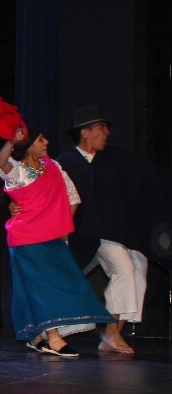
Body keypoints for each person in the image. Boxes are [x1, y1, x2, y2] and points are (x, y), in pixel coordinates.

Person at [0, 116, 115, 357]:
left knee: (62, 283)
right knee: (41, 286)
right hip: (26, 239)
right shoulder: (18, 171)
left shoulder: (54, 167)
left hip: (52, 238)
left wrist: (59, 227)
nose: (46, 142)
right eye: (40, 139)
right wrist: (11, 141)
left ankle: (36, 336)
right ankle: (53, 336)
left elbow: (72, 198)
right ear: (28, 146)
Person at [53, 105, 172, 355]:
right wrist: (14, 203)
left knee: (138, 265)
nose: (107, 132)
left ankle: (113, 331)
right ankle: (109, 332)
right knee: (124, 267)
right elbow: (45, 191)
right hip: (85, 235)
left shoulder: (116, 158)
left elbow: (149, 174)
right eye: (101, 128)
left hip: (113, 233)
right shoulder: (66, 163)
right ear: (85, 132)